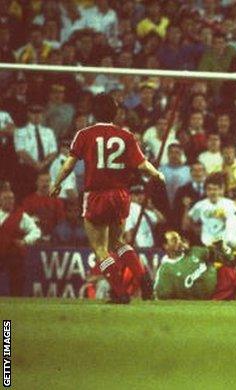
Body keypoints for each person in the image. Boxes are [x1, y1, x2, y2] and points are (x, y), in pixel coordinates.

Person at [50, 93, 165, 304]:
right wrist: (157, 174)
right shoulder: (126, 136)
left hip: (97, 194)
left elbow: (69, 164)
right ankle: (143, 278)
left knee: (101, 248)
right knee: (118, 242)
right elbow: (142, 164)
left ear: (94, 112)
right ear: (115, 113)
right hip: (121, 195)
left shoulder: (84, 134)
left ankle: (121, 293)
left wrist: (56, 183)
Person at [0, 188, 41, 296]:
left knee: (17, 281)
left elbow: (36, 231)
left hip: (14, 254)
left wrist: (25, 241)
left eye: (11, 198)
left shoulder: (21, 216)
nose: (9, 201)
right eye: (6, 198)